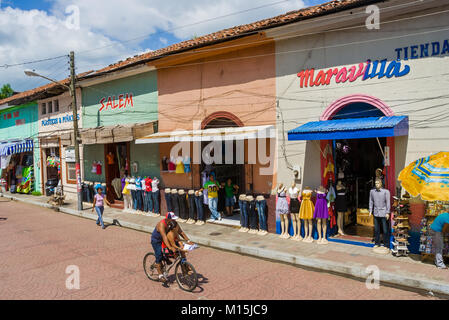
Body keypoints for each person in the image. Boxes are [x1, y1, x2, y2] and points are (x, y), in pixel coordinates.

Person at [150, 212, 193, 282]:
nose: (174, 220)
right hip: (157, 240)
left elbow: (180, 232)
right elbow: (164, 237)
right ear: (168, 220)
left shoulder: (174, 223)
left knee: (180, 252)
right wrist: (170, 247)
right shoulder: (161, 224)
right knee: (159, 255)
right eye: (173, 219)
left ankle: (185, 267)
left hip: (167, 239)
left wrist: (188, 241)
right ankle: (160, 275)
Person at [369, 178, 391, 252]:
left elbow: (388, 202)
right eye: (375, 183)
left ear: (381, 183)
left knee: (385, 230)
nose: (376, 185)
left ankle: (386, 245)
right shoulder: (372, 191)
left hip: (384, 213)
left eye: (378, 183)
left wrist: (388, 212)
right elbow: (371, 201)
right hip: (376, 212)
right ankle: (377, 243)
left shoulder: (386, 192)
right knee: (376, 229)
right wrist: (370, 210)